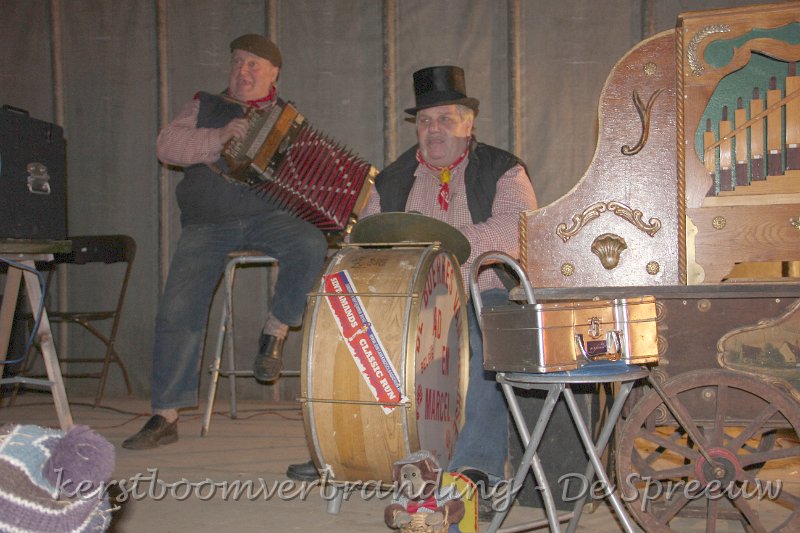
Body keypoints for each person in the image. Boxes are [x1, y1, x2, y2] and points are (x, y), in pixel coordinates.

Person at [286, 65, 538, 511]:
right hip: (407, 300)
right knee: (348, 337)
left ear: (468, 123)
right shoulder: (392, 179)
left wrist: (443, 261)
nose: (433, 129)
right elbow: (366, 238)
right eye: (424, 121)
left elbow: (515, 230)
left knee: (487, 342)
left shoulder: (504, 169)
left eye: (444, 118)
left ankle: (474, 468)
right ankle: (342, 450)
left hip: (483, 289)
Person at [123, 34, 328, 450]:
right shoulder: (205, 104)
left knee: (310, 242)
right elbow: (167, 146)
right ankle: (165, 415)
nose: (243, 71)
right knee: (178, 308)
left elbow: (306, 178)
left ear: (274, 74)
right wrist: (216, 137)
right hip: (208, 223)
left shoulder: (288, 119)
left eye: (254, 65)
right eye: (237, 62)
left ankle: (275, 331)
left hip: (267, 218)